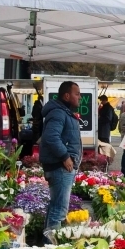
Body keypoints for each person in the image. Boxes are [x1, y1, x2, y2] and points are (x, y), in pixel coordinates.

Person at [39, 81, 83, 239]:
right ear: (66, 95)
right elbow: (51, 137)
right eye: (77, 94)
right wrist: (65, 157)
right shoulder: (58, 113)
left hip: (60, 168)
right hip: (60, 168)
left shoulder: (63, 111)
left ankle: (46, 243)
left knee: (55, 207)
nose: (80, 97)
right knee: (59, 211)